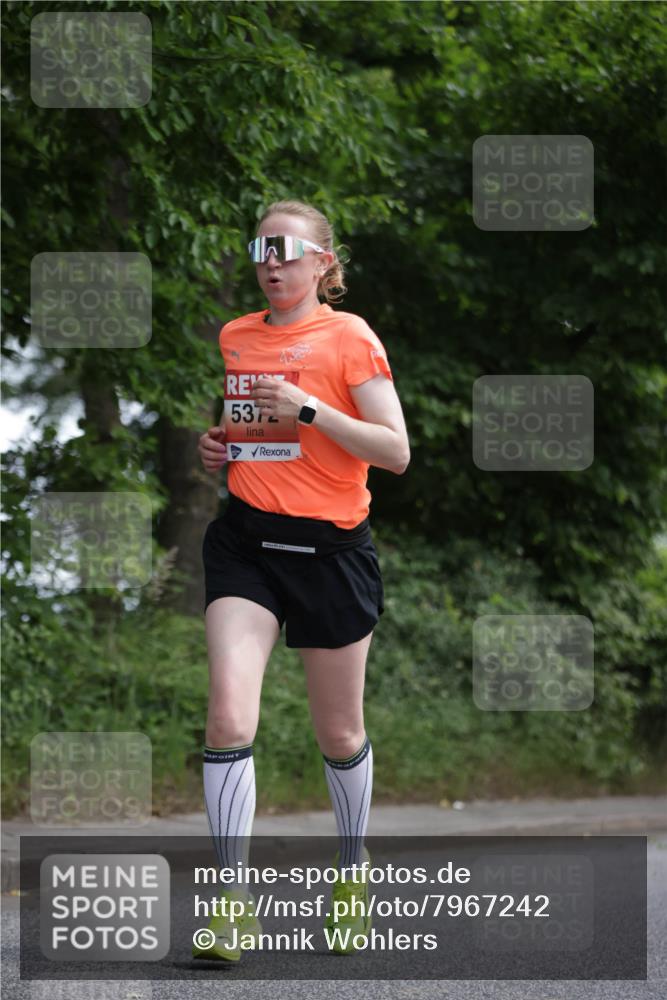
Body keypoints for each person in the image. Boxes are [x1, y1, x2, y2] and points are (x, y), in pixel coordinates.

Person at [193, 199, 410, 963]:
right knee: (227, 720)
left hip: (331, 554)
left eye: (286, 250)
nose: (270, 262)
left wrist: (313, 409)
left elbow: (394, 452)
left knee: (339, 734)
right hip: (246, 547)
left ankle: (351, 876)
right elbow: (250, 433)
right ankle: (231, 905)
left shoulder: (351, 338)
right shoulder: (237, 335)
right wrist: (218, 448)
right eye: (260, 249)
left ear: (323, 262)